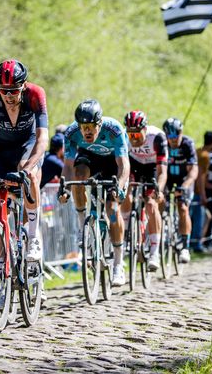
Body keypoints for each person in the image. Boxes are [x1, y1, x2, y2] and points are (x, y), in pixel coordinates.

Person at [0, 59, 49, 309]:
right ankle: (4, 281)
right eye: (5, 91)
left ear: (23, 87)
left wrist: (28, 168)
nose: (9, 96)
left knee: (31, 175)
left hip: (28, 146)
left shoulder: (35, 94)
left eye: (14, 90)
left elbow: (43, 138)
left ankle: (33, 237)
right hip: (0, 151)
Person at [61, 99, 130, 286]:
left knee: (113, 209)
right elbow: (67, 166)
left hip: (112, 164)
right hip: (89, 159)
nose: (87, 131)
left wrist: (120, 186)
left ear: (99, 124)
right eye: (83, 127)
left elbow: (123, 164)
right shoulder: (71, 133)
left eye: (91, 126)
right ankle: (81, 223)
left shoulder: (114, 129)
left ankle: (117, 263)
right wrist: (65, 187)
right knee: (78, 174)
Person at [120, 110, 168, 272]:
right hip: (134, 165)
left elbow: (162, 172)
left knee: (150, 203)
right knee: (124, 192)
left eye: (137, 135)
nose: (133, 139)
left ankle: (154, 252)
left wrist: (159, 190)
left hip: (152, 167)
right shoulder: (125, 139)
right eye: (130, 135)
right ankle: (127, 230)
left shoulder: (157, 138)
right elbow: (122, 165)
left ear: (145, 129)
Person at [163, 117, 198, 263]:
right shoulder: (162, 143)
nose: (172, 139)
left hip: (184, 179)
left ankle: (185, 246)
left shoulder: (187, 144)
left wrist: (185, 186)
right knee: (158, 202)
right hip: (167, 178)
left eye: (175, 135)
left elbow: (193, 170)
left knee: (183, 207)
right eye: (169, 136)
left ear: (181, 132)